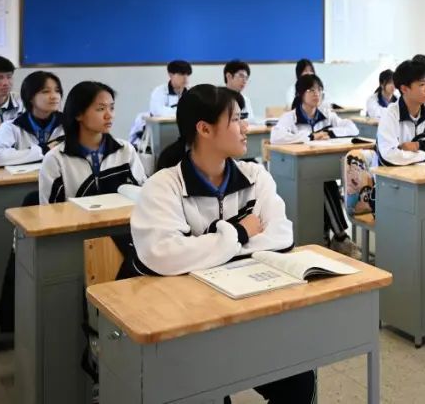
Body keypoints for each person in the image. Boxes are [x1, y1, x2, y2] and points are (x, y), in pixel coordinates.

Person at [130, 85, 313, 403]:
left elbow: (281, 236)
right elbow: (163, 255)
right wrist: (240, 233)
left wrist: (205, 247)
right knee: (206, 391)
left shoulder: (255, 176)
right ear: (204, 129)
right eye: (236, 119)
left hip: (249, 311)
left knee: (299, 379)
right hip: (185, 324)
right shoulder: (163, 186)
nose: (246, 127)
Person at [269, 74, 359, 255]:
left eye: (319, 89)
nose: (316, 94)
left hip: (321, 165)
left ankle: (329, 236)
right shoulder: (291, 117)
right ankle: (340, 237)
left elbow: (352, 128)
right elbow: (276, 137)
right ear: (300, 94)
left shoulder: (326, 114)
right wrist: (310, 136)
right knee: (325, 185)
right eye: (311, 90)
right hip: (300, 167)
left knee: (325, 183)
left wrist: (330, 133)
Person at [40, 81, 146, 203]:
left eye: (111, 108)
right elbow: (50, 210)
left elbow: (144, 194)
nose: (109, 115)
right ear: (78, 114)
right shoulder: (56, 159)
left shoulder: (125, 150)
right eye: (101, 109)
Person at [0, 71, 65, 168]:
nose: (54, 96)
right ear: (30, 97)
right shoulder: (12, 126)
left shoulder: (71, 124)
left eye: (57, 91)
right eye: (46, 91)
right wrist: (43, 150)